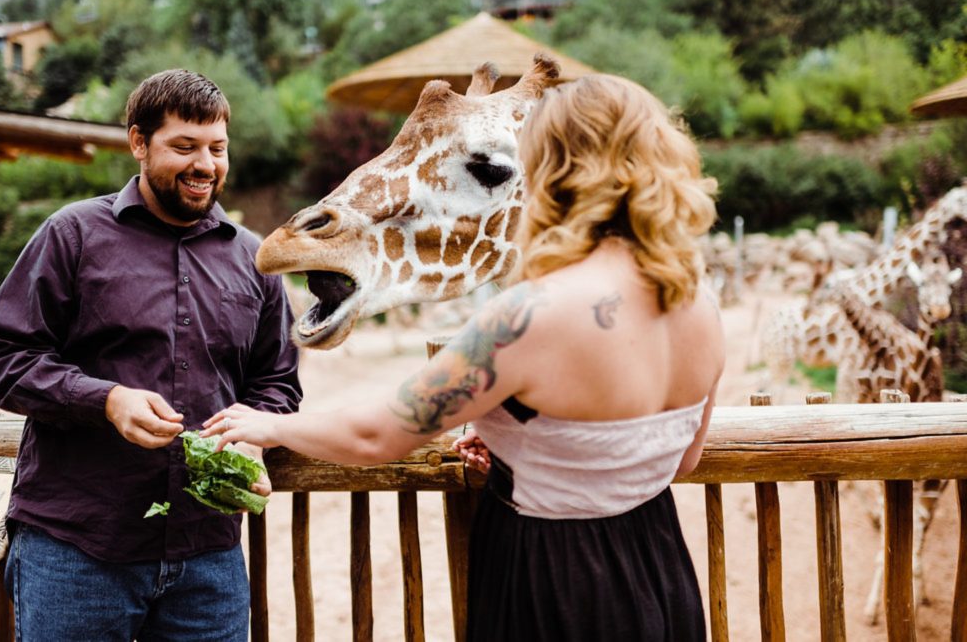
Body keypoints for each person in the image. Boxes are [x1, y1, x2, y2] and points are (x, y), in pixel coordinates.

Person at [203, 73, 723, 640]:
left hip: (553, 582)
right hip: (658, 567)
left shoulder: (528, 318)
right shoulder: (698, 299)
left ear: (555, 168)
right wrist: (528, 447)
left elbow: (380, 436)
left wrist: (271, 425)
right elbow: (681, 458)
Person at [0, 69, 302, 641]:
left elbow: (277, 382)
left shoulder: (256, 260)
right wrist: (106, 400)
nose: (205, 164)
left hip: (209, 558)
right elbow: (3, 357)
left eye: (217, 148)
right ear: (138, 143)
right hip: (76, 550)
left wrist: (255, 432)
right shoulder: (71, 235)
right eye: (184, 147)